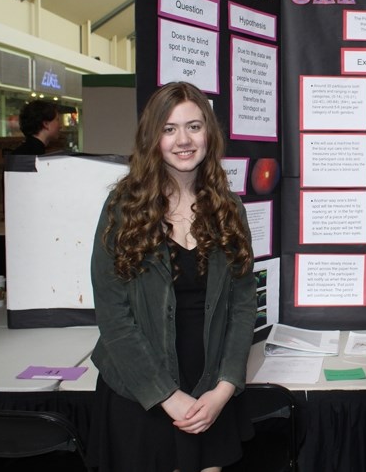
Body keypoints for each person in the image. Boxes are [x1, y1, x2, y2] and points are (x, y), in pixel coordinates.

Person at [88, 82, 257, 472]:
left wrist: (225, 388)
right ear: (153, 138)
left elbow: (243, 305)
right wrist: (166, 395)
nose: (183, 139)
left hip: (208, 390)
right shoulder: (122, 209)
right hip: (139, 391)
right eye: (169, 129)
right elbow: (114, 316)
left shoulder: (228, 209)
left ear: (209, 135)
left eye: (194, 127)